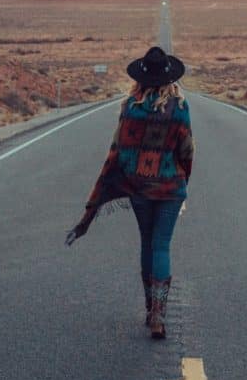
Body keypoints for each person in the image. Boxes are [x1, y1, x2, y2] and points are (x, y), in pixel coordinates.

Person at [65, 46, 194, 339]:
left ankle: (150, 308)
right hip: (171, 189)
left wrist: (112, 186)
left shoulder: (130, 108)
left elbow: (118, 151)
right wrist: (182, 178)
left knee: (147, 243)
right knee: (162, 246)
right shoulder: (180, 108)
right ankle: (159, 316)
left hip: (139, 189)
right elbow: (186, 150)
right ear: (169, 78)